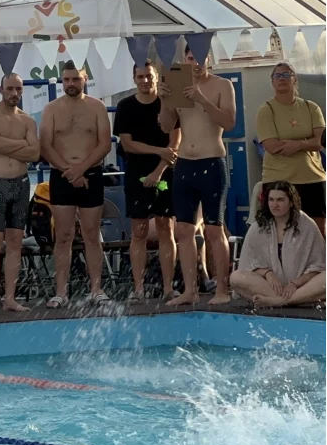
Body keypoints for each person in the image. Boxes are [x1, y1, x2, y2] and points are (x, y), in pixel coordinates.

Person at [160, 47, 236, 306]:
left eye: (201, 58)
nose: (195, 63)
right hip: (184, 164)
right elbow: (166, 126)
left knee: (215, 229)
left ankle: (222, 289)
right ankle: (190, 290)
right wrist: (164, 101)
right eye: (191, 58)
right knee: (183, 230)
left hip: (212, 161)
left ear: (209, 60)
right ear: (184, 60)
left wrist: (202, 99)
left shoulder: (222, 85)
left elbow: (229, 122)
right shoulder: (178, 82)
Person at [41, 62, 112, 307]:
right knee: (63, 236)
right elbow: (46, 145)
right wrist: (69, 171)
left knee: (92, 235)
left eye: (76, 79)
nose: (71, 84)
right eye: (67, 80)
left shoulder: (97, 107)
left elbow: (105, 144)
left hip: (90, 174)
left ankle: (96, 289)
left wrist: (81, 169)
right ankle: (61, 291)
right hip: (61, 177)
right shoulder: (51, 109)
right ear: (62, 81)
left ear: (84, 79)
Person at [115, 62, 179, 302]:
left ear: (156, 78)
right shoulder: (125, 106)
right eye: (140, 76)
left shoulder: (168, 104)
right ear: (134, 79)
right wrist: (158, 151)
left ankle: (168, 287)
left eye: (149, 76)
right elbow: (127, 144)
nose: (145, 81)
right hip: (136, 174)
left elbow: (175, 143)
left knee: (166, 229)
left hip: (165, 172)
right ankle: (139, 289)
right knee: (139, 232)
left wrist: (160, 169)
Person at [0, 73, 40, 315]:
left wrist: (6, 147)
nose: (14, 93)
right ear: (0, 89)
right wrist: (22, 147)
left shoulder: (27, 121)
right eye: (10, 88)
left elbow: (35, 154)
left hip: (21, 184)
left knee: (15, 242)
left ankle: (10, 298)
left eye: (18, 89)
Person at [230, 182, 327, 307]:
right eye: (271, 200)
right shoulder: (258, 226)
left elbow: (318, 266)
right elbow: (249, 263)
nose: (275, 205)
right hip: (269, 286)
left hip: (301, 285)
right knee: (236, 277)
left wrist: (295, 283)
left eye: (280, 200)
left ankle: (280, 301)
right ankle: (295, 300)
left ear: (291, 202)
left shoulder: (307, 225)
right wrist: (268, 274)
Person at [257, 62, 326, 236]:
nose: (282, 79)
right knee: (280, 231)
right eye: (277, 76)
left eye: (287, 75)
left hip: (312, 177)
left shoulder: (311, 107)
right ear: (272, 82)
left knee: (317, 231)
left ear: (295, 79)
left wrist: (297, 144)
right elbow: (271, 146)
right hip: (278, 179)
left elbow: (321, 141)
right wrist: (306, 141)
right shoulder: (266, 110)